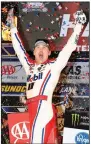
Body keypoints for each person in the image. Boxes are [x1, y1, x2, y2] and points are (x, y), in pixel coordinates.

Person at [6, 8, 86, 144]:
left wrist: (78, 26)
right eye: (38, 47)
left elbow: (68, 49)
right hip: (32, 109)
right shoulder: (29, 65)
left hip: (42, 107)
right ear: (34, 52)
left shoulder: (54, 65)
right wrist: (12, 26)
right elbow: (19, 49)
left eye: (44, 47)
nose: (41, 49)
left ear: (49, 52)